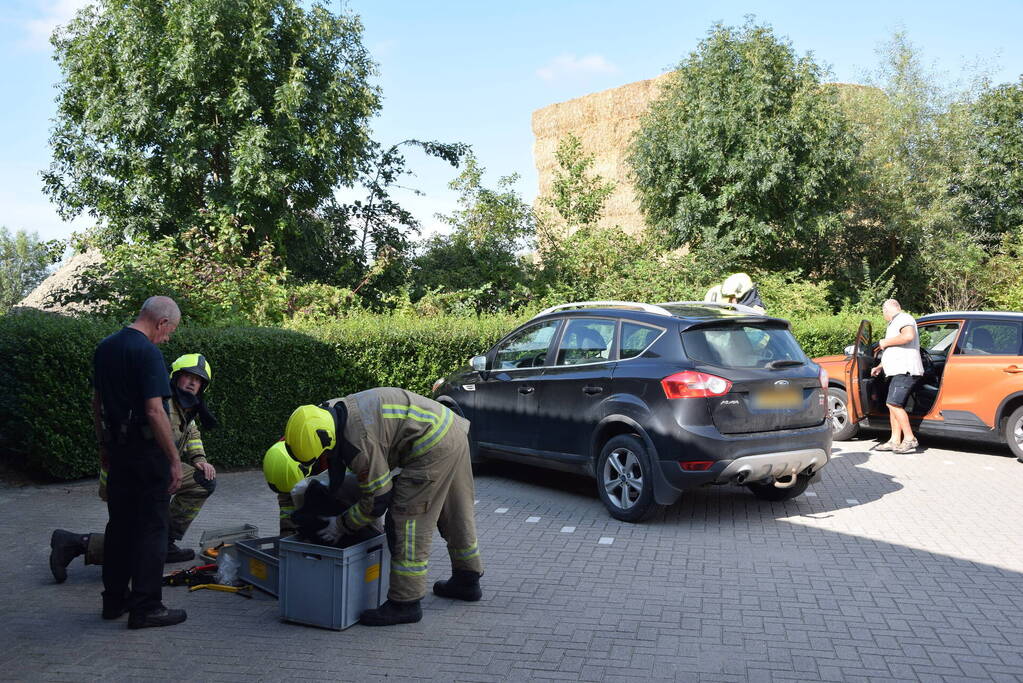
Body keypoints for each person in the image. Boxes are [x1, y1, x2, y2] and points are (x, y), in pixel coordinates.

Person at [284, 388, 484, 627]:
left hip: (431, 446)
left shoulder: (359, 441)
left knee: (407, 522)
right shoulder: (330, 413)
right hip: (450, 429)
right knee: (456, 510)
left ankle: (405, 603)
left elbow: (378, 499)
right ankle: (467, 579)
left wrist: (341, 524)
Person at [49, 354, 218, 582]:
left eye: (198, 380)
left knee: (202, 481)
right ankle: (74, 544)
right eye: (187, 376)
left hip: (161, 470)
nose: (192, 383)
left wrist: (199, 458)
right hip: (134, 475)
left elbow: (192, 431)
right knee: (140, 538)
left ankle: (165, 542)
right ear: (175, 377)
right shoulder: (162, 404)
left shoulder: (187, 406)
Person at [90, 296, 187, 629]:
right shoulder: (148, 353)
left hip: (117, 452)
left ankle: (114, 601)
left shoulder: (106, 347)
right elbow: (154, 410)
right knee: (151, 531)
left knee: (119, 527)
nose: (168, 337)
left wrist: (103, 444)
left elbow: (97, 401)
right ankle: (146, 606)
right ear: (161, 323)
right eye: (170, 330)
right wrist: (174, 459)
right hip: (146, 456)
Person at [871, 299, 924, 453]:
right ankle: (894, 440)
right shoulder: (894, 322)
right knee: (892, 404)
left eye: (883, 313)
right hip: (897, 370)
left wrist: (884, 342)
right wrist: (881, 366)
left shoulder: (904, 318)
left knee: (893, 404)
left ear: (886, 310)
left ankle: (909, 439)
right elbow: (896, 351)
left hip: (905, 370)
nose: (883, 316)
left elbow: (908, 336)